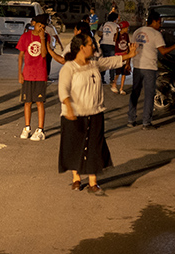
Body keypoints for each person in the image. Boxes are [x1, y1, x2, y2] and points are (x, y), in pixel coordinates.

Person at [58, 32, 137, 194]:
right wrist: (69, 107)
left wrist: (129, 55)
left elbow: (109, 62)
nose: (94, 47)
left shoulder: (94, 64)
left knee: (94, 147)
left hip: (95, 113)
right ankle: (76, 179)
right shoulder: (69, 67)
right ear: (81, 48)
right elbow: (63, 89)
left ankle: (93, 183)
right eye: (91, 44)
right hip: (74, 115)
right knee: (76, 147)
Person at [127, 9, 175, 129]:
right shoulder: (156, 34)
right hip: (149, 67)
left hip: (137, 66)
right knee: (149, 95)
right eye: (159, 22)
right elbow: (163, 51)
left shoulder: (137, 32)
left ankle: (131, 120)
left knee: (135, 93)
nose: (160, 25)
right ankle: (146, 122)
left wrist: (127, 63)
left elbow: (131, 48)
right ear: (154, 21)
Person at [17, 13, 66, 141]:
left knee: (39, 102)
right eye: (39, 26)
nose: (41, 28)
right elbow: (21, 55)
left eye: (43, 26)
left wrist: (42, 39)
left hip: (40, 74)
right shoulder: (26, 36)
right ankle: (27, 127)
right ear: (34, 24)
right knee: (27, 102)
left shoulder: (46, 37)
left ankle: (40, 129)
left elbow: (44, 54)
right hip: (28, 73)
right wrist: (20, 73)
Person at [99, 10, 120, 84]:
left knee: (103, 62)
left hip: (103, 44)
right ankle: (112, 79)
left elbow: (99, 33)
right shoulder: (116, 26)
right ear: (115, 19)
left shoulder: (104, 24)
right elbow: (117, 37)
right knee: (112, 62)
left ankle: (102, 79)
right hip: (112, 45)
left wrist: (105, 35)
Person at [112, 17, 131, 94]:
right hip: (118, 55)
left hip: (125, 54)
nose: (127, 29)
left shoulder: (126, 35)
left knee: (124, 72)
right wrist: (117, 32)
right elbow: (115, 39)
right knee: (118, 72)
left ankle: (121, 88)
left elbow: (128, 44)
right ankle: (114, 84)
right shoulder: (117, 34)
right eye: (127, 28)